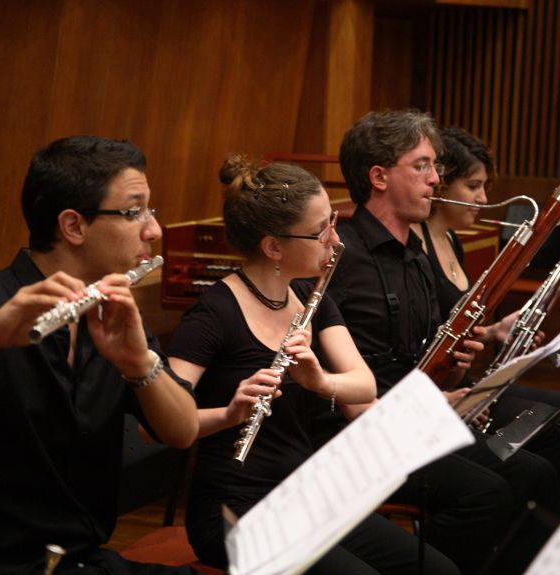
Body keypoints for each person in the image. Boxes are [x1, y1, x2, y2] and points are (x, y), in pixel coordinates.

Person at [167, 155, 460, 575]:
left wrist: (319, 380)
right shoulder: (212, 315)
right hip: (236, 512)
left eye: (333, 222)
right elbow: (158, 426)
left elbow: (363, 386)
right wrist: (229, 414)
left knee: (437, 569)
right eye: (321, 230)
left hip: (303, 498)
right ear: (274, 247)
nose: (335, 240)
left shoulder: (309, 295)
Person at [0, 136, 199, 575]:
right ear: (73, 226)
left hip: (82, 561)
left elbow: (183, 431)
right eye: (134, 212)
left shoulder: (112, 312)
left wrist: (138, 364)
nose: (153, 230)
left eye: (150, 211)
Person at [312, 110, 560, 574]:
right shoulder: (342, 257)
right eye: (422, 166)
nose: (435, 179)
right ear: (379, 177)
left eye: (435, 167)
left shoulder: (416, 257)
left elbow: (421, 361)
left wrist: (458, 372)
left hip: (415, 419)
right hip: (360, 433)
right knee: (487, 492)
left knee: (535, 472)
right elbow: (340, 372)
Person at [414, 125, 560, 506]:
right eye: (473, 186)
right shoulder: (416, 247)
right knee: (551, 437)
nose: (484, 198)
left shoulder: (451, 240)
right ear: (442, 184)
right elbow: (427, 338)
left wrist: (495, 331)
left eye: (484, 187)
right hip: (442, 398)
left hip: (467, 387)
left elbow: (459, 331)